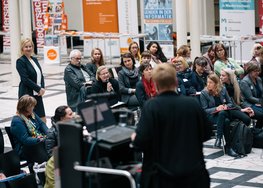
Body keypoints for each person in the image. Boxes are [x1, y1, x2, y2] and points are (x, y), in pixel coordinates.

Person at [131, 63, 211, 188]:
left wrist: (134, 137)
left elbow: (140, 143)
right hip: (194, 176)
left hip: (162, 178)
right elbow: (207, 133)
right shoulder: (192, 104)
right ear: (176, 82)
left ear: (156, 83)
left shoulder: (151, 107)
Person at [200, 74, 251, 157]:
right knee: (225, 119)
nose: (208, 84)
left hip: (227, 112)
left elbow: (230, 102)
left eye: (210, 82)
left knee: (246, 119)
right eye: (207, 82)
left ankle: (219, 138)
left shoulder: (223, 89)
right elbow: (204, 110)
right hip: (213, 116)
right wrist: (216, 108)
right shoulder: (204, 93)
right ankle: (228, 147)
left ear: (216, 83)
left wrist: (226, 106)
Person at [16, 38, 46, 123]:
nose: (28, 48)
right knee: (29, 120)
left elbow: (41, 75)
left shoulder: (34, 59)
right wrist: (39, 88)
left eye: (30, 46)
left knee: (42, 119)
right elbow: (25, 79)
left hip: (37, 94)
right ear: (22, 48)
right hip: (27, 93)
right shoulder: (20, 61)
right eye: (26, 47)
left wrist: (42, 88)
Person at [10, 95, 48, 159]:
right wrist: (41, 140)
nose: (33, 107)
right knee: (52, 150)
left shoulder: (31, 114)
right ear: (25, 108)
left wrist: (49, 133)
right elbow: (26, 140)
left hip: (37, 144)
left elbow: (42, 124)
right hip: (25, 149)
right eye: (32, 106)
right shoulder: (17, 121)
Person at [240, 62, 263, 128]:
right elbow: (249, 97)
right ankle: (257, 131)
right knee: (261, 115)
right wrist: (261, 102)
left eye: (258, 71)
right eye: (255, 71)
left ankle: (258, 131)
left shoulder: (258, 79)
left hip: (258, 103)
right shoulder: (244, 82)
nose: (257, 73)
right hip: (248, 104)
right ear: (250, 71)